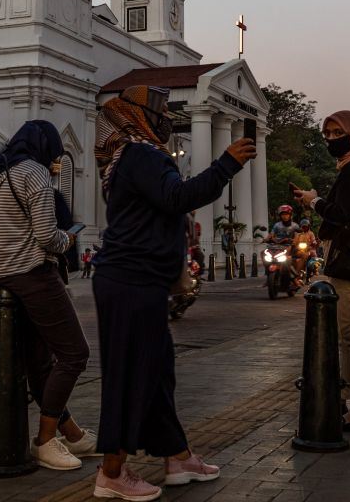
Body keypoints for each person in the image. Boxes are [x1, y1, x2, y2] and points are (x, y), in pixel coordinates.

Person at [92, 85, 254, 501]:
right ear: (136, 114)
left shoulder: (132, 154)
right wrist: (225, 165)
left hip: (138, 278)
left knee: (157, 369)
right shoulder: (140, 155)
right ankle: (112, 471)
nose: (166, 115)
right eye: (158, 108)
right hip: (131, 279)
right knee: (131, 372)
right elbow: (176, 197)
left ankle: (177, 456)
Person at [0, 120, 95, 471]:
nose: (56, 164)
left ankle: (72, 434)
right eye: (55, 156)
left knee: (40, 361)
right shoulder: (35, 175)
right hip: (33, 274)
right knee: (74, 355)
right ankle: (44, 441)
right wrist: (66, 240)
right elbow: (45, 235)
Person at [293, 110, 350, 432]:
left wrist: (314, 201)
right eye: (327, 133)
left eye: (337, 132)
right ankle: (348, 400)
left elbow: (341, 212)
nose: (331, 138)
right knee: (348, 337)